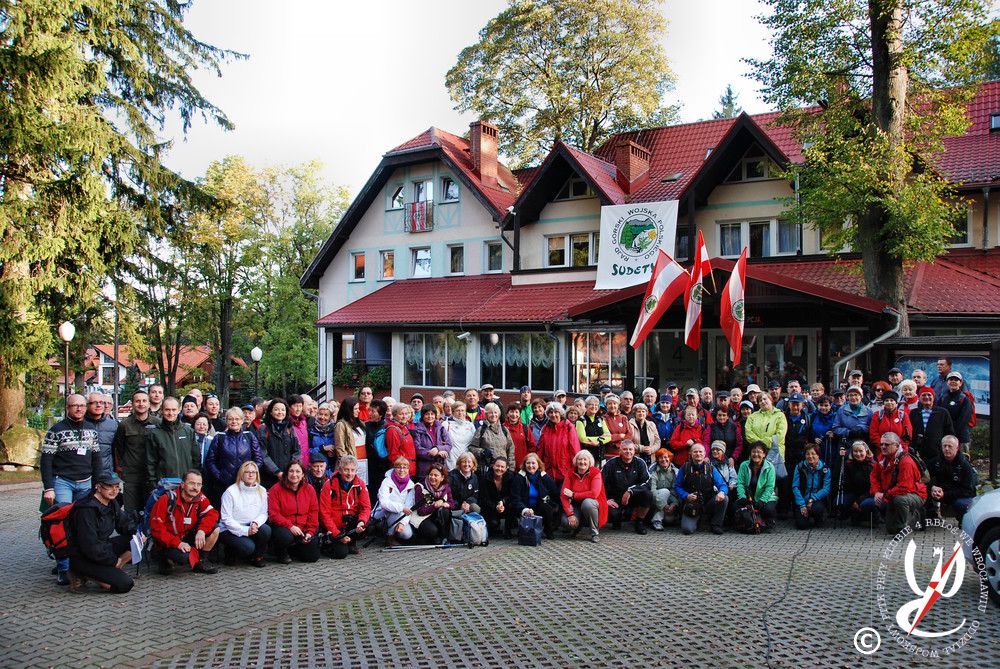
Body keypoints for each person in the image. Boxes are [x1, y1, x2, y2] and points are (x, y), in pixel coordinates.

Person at [66, 472, 134, 593]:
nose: (114, 490)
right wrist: (113, 560)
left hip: (102, 548)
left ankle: (112, 571)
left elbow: (124, 523)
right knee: (125, 584)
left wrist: (138, 534)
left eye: (117, 487)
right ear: (98, 487)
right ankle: (82, 573)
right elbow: (90, 546)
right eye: (109, 486)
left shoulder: (112, 502)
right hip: (84, 556)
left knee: (134, 540)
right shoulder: (86, 510)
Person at [149, 469, 220, 575]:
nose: (195, 488)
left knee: (215, 528)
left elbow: (212, 514)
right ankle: (163, 557)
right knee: (184, 557)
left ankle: (200, 563)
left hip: (185, 535)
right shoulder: (166, 499)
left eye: (199, 484)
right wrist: (178, 543)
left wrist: (202, 531)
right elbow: (156, 529)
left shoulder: (200, 498)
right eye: (192, 483)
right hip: (167, 541)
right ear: (182, 485)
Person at [205, 407, 272, 506]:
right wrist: (219, 476)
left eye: (237, 419)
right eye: (230, 419)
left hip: (245, 484)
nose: (234, 421)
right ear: (226, 421)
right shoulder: (219, 437)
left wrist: (250, 474)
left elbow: (258, 459)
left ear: (242, 420)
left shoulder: (249, 436)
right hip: (224, 484)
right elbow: (210, 460)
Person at [112, 388, 160, 512]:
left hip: (152, 475)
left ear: (149, 404)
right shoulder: (124, 425)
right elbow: (119, 448)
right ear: (132, 404)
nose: (141, 404)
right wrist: (121, 467)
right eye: (137, 401)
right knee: (131, 511)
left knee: (152, 510)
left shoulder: (158, 423)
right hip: (131, 475)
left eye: (144, 401)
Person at [871, 432, 927, 535]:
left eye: (887, 444)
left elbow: (904, 487)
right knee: (890, 529)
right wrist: (877, 492)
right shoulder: (882, 458)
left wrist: (885, 495)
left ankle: (906, 525)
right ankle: (908, 516)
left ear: (896, 446)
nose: (883, 447)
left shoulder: (906, 461)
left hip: (915, 493)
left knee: (900, 499)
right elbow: (874, 476)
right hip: (893, 493)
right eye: (881, 444)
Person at [219, 461, 271, 567]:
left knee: (266, 530)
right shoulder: (230, 492)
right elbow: (226, 518)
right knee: (247, 548)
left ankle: (257, 557)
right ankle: (230, 552)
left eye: (253, 472)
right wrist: (245, 530)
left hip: (251, 526)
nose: (250, 475)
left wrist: (255, 523)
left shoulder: (262, 490)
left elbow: (263, 513)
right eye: (247, 472)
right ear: (241, 474)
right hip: (229, 529)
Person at [319, 455, 371, 558]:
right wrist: (337, 534)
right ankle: (326, 543)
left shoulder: (360, 484)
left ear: (356, 471)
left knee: (368, 526)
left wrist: (361, 522)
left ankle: (351, 542)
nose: (349, 473)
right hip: (335, 525)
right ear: (340, 470)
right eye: (346, 470)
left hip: (351, 523)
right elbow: (324, 513)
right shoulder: (329, 485)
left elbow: (366, 507)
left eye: (352, 470)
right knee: (341, 554)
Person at [268, 461, 320, 563]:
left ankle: (294, 549)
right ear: (286, 473)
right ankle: (280, 551)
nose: (294, 474)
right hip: (284, 527)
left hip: (303, 528)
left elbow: (313, 512)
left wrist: (309, 532)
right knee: (285, 537)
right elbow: (273, 514)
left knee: (312, 557)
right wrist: (290, 526)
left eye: (298, 471)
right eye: (291, 471)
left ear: (303, 474)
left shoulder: (309, 489)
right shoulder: (276, 489)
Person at [146, 397, 200, 489]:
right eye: (167, 410)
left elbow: (196, 458)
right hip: (164, 484)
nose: (171, 413)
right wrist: (153, 483)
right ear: (162, 410)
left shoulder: (188, 431)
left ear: (179, 410)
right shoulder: (155, 433)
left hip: (186, 484)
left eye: (173, 410)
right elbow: (151, 461)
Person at [674, 443, 728, 535]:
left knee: (724, 498)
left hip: (708, 502)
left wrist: (722, 492)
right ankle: (699, 521)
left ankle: (716, 525)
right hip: (692, 504)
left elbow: (722, 485)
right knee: (687, 530)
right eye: (695, 452)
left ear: (704, 453)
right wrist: (686, 495)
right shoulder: (684, 468)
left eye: (700, 452)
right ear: (691, 453)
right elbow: (677, 486)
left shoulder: (711, 468)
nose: (698, 454)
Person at [601, 440, 652, 534]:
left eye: (630, 449)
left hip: (634, 496)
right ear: (620, 451)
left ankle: (639, 522)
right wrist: (605, 500)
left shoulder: (640, 462)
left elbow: (647, 482)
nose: (628, 451)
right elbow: (600, 483)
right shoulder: (611, 463)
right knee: (612, 515)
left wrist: (631, 491)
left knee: (648, 495)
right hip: (615, 497)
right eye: (625, 449)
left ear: (634, 451)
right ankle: (617, 520)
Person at [560, 450, 608, 543]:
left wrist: (574, 495)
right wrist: (570, 515)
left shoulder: (596, 473)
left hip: (594, 503)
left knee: (587, 503)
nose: (582, 462)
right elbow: (563, 495)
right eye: (579, 459)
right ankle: (578, 527)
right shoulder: (570, 473)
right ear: (576, 461)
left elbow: (594, 494)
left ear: (590, 462)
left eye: (585, 459)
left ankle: (594, 533)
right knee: (566, 522)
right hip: (576, 504)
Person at [510, 453, 561, 540]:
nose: (531, 466)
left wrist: (545, 476)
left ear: (538, 464)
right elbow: (515, 498)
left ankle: (548, 530)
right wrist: (525, 509)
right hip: (524, 506)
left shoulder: (543, 476)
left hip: (539, 506)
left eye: (533, 463)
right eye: (528, 463)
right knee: (511, 506)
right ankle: (519, 529)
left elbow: (554, 491)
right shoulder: (519, 477)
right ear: (524, 464)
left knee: (547, 508)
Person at [928, 435, 978, 522]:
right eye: (944, 446)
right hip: (939, 492)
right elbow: (922, 479)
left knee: (962, 504)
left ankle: (964, 522)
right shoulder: (935, 461)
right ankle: (929, 519)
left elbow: (968, 490)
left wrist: (945, 494)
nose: (946, 449)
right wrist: (932, 488)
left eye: (950, 446)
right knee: (922, 495)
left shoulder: (964, 465)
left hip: (959, 495)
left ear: (957, 448)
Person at [535, 402, 581, 487]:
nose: (553, 415)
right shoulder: (545, 428)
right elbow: (540, 450)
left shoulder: (569, 427)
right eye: (551, 412)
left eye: (556, 412)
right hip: (548, 472)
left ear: (560, 413)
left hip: (565, 472)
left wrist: (575, 469)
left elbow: (575, 449)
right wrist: (538, 466)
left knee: (562, 494)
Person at [256, 398, 300, 486]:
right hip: (268, 476)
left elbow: (297, 450)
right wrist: (277, 472)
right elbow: (262, 453)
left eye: (283, 410)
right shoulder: (263, 429)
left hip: (287, 476)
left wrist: (290, 470)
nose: (280, 412)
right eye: (276, 409)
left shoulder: (289, 429)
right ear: (270, 412)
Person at [908, 387, 955, 469]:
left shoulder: (943, 412)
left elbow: (949, 432)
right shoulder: (913, 413)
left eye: (929, 395)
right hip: (918, 452)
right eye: (923, 395)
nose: (926, 397)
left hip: (936, 452)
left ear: (933, 397)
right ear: (919, 398)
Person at [735, 442, 778, 531]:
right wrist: (742, 497)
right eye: (753, 452)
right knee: (735, 506)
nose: (756, 454)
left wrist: (762, 501)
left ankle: (767, 521)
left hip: (765, 498)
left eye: (759, 452)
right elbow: (740, 483)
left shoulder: (770, 467)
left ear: (764, 454)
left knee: (768, 509)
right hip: (748, 497)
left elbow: (770, 487)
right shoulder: (744, 465)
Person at [411, 462, 455, 544]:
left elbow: (452, 504)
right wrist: (435, 506)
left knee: (445, 511)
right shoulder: (420, 487)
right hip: (421, 517)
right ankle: (423, 537)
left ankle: (444, 537)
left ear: (442, 477)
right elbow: (420, 511)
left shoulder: (445, 487)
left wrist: (444, 502)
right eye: (431, 474)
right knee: (432, 531)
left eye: (436, 475)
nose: (432, 477)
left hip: (434, 515)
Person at [791, 444, 831, 529]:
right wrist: (802, 505)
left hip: (816, 499)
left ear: (818, 455)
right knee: (802, 525)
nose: (810, 456)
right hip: (802, 499)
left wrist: (812, 498)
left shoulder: (825, 469)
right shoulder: (799, 467)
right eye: (807, 454)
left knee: (817, 510)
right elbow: (795, 487)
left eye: (813, 454)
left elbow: (826, 489)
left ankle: (819, 517)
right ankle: (805, 516)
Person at [838, 441, 876, 525]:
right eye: (855, 451)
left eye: (861, 451)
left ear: (866, 451)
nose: (858, 454)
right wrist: (840, 459)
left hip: (869, 494)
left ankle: (873, 518)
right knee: (840, 501)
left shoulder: (872, 466)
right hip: (854, 493)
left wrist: (858, 501)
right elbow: (846, 485)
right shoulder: (848, 464)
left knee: (867, 504)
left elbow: (873, 488)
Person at [470, 402, 516, 470]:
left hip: (502, 469)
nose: (493, 415)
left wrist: (511, 469)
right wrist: (482, 452)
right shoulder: (481, 430)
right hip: (487, 468)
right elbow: (472, 448)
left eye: (495, 412)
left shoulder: (504, 430)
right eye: (490, 413)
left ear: (499, 414)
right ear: (486, 414)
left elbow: (510, 450)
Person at [334, 397, 369, 484]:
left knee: (361, 485)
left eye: (358, 408)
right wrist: (348, 465)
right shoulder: (341, 425)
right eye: (356, 409)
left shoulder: (360, 423)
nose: (358, 411)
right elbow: (340, 449)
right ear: (349, 410)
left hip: (363, 461)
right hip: (351, 462)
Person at [480, 456, 515, 538]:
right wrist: (495, 507)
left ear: (506, 468)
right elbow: (484, 498)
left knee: (513, 505)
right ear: (493, 466)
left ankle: (508, 530)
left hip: (505, 505)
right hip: (491, 507)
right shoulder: (485, 478)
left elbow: (512, 495)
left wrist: (503, 501)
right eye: (497, 466)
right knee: (493, 524)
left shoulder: (511, 477)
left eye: (502, 467)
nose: (499, 469)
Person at [937, 371, 973, 454]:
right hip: (945, 435)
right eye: (951, 379)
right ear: (947, 382)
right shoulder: (943, 398)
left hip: (961, 436)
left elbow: (964, 419)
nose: (953, 381)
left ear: (960, 383)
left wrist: (952, 433)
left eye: (956, 380)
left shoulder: (964, 399)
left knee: (962, 459)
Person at [412, 405, 451, 479]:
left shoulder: (440, 428)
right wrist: (435, 453)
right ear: (422, 415)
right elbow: (417, 449)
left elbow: (449, 445)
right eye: (427, 414)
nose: (430, 416)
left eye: (432, 414)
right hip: (424, 468)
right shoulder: (417, 429)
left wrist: (438, 448)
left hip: (440, 467)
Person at [85, 392, 117, 476]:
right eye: (94, 402)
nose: (98, 405)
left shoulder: (114, 425)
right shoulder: (79, 423)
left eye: (101, 402)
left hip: (106, 473)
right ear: (87, 405)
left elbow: (117, 452)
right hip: (84, 474)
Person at [648, 448, 679, 530]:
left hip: (669, 501)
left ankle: (660, 519)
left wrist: (674, 504)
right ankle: (657, 521)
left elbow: (674, 490)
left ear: (670, 458)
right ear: (657, 460)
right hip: (655, 500)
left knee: (669, 520)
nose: (663, 459)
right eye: (660, 457)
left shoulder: (675, 472)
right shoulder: (654, 472)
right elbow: (652, 491)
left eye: (666, 457)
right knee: (665, 491)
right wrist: (663, 505)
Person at [576, 396, 611, 466]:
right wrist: (600, 438)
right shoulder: (581, 420)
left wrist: (598, 442)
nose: (594, 407)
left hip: (600, 456)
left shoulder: (600, 420)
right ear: (586, 406)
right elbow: (582, 438)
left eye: (596, 405)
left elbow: (609, 437)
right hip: (587, 457)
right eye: (591, 404)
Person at [385, 404, 417, 477]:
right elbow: (393, 455)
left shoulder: (404, 427)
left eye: (406, 413)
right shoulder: (393, 430)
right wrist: (402, 470)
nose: (404, 416)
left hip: (410, 469)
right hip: (402, 471)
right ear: (394, 415)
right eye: (401, 414)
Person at [709, 441, 738, 522]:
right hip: (715, 490)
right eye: (713, 449)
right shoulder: (708, 463)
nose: (715, 451)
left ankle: (731, 518)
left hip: (727, 488)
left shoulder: (728, 463)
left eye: (718, 449)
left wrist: (732, 484)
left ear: (723, 451)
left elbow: (734, 477)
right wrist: (717, 489)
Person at [444, 401, 476, 470]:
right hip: (451, 461)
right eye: (457, 410)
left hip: (466, 462)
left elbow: (474, 443)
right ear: (453, 412)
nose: (460, 413)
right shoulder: (446, 424)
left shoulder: (470, 425)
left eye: (462, 410)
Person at [504, 403, 534, 468]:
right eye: (511, 411)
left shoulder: (525, 428)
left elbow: (532, 446)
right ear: (507, 414)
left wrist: (527, 460)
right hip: (506, 466)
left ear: (519, 414)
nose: (514, 415)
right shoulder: (502, 428)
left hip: (522, 466)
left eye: (516, 412)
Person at [602, 395, 631, 460]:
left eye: (614, 403)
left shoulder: (624, 418)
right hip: (609, 453)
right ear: (606, 405)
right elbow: (606, 437)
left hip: (624, 453)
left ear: (618, 405)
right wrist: (620, 436)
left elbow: (630, 435)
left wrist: (614, 437)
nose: (612, 406)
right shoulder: (603, 419)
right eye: (610, 404)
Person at [309, 402, 336, 468]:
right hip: (316, 467)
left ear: (330, 417)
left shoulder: (335, 429)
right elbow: (306, 451)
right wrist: (322, 448)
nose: (322, 417)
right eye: (320, 414)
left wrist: (334, 453)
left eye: (326, 415)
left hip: (332, 467)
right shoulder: (311, 429)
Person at [287, 394, 311, 465]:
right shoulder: (287, 423)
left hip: (305, 459)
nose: (298, 409)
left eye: (300, 406)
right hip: (293, 461)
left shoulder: (303, 421)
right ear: (289, 407)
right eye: (295, 406)